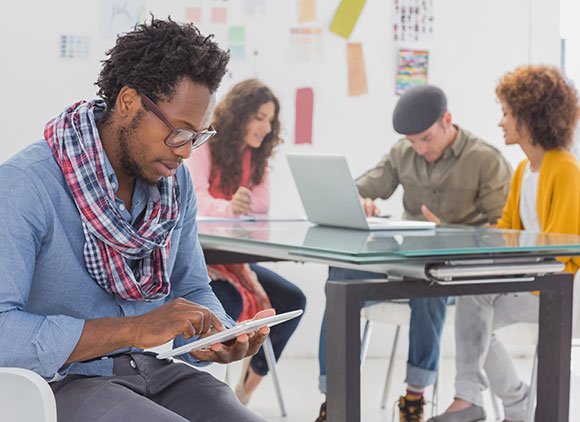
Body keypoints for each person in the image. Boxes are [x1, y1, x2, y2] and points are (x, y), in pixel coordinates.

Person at [0, 18, 274, 422]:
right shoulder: (27, 184)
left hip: (150, 371)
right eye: (178, 133)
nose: (185, 153)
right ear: (128, 103)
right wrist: (133, 329)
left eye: (197, 137)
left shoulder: (172, 184)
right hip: (59, 383)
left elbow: (193, 286)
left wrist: (218, 334)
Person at [316, 85, 513, 422]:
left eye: (426, 138)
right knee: (341, 278)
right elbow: (360, 186)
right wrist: (359, 201)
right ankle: (334, 398)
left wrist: (452, 230)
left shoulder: (485, 159)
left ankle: (414, 399)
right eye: (412, 141)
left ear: (447, 120)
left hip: (457, 273)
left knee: (430, 286)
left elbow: (506, 231)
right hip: (405, 263)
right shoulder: (402, 153)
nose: (420, 149)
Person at [429, 65, 580, 422]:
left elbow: (566, 254)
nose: (501, 122)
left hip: (568, 292)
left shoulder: (565, 170)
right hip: (541, 286)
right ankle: (485, 400)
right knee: (474, 301)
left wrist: (515, 263)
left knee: (482, 310)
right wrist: (451, 231)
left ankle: (516, 407)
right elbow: (507, 234)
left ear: (530, 119)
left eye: (507, 113)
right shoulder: (523, 171)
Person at [187, 79, 306, 405]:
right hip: (201, 261)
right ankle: (199, 397)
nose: (267, 128)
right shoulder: (205, 145)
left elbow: (260, 207)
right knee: (228, 304)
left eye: (270, 120)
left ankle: (243, 394)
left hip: (235, 261)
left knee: (292, 302)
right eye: (260, 118)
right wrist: (228, 207)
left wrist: (240, 208)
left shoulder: (257, 158)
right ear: (240, 115)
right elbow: (192, 199)